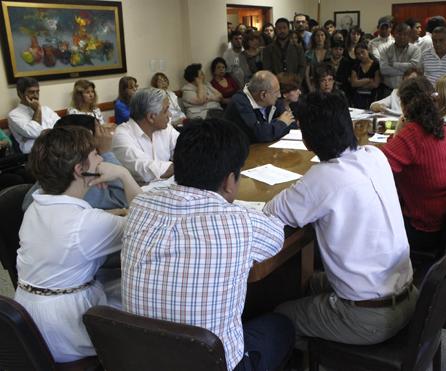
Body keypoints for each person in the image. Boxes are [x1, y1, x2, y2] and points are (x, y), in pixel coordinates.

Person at [122, 118, 294, 371]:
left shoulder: (140, 206)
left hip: (143, 359)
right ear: (229, 181)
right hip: (212, 363)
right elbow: (276, 238)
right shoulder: (241, 223)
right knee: (281, 325)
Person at [264, 92, 416, 346]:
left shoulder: (323, 179)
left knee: (281, 315)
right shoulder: (374, 155)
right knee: (307, 281)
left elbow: (271, 211)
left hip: (369, 318)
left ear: (307, 140)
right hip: (408, 295)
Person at [15, 125, 141, 363]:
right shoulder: (86, 224)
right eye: (95, 154)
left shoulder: (35, 206)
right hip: (65, 331)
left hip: (30, 320)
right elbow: (145, 225)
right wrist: (123, 175)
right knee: (148, 307)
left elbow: (74, 229)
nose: (102, 158)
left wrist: (115, 213)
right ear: (80, 169)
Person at [381, 76, 446, 253]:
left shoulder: (412, 133)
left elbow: (379, 168)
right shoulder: (441, 126)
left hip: (424, 228)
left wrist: (398, 132)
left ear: (404, 105)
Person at [22, 114, 127, 211]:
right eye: (99, 133)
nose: (104, 137)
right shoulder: (76, 181)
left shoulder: (54, 169)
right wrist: (106, 152)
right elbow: (123, 200)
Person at [112, 88, 179, 183]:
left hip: (165, 188)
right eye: (166, 110)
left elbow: (186, 148)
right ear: (151, 117)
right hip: (137, 194)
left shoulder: (165, 128)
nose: (170, 114)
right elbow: (145, 169)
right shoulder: (122, 135)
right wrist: (185, 166)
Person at [224, 70, 295, 143]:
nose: (279, 95)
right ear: (263, 95)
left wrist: (272, 127)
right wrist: (281, 123)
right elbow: (258, 135)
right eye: (276, 92)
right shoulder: (239, 102)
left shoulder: (271, 99)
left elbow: (291, 123)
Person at [8, 77, 59, 153]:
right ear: (20, 94)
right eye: (31, 92)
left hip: (55, 147)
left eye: (37, 92)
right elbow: (36, 132)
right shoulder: (14, 115)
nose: (36, 96)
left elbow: (61, 126)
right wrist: (37, 110)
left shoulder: (46, 109)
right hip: (33, 153)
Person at [379, 22, 421, 89]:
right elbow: (384, 70)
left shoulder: (415, 50)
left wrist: (394, 64)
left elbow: (414, 67)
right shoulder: (385, 49)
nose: (402, 37)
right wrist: (406, 72)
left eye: (405, 34)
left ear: (409, 35)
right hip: (388, 89)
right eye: (399, 34)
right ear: (394, 35)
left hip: (408, 90)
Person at [350, 42, 381, 109]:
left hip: (373, 96)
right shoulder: (356, 65)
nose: (361, 55)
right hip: (358, 97)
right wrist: (368, 80)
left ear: (368, 51)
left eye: (363, 52)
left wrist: (360, 83)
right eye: (358, 54)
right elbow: (353, 83)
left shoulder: (376, 64)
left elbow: (375, 84)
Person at [305, 27, 331, 91]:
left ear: (325, 37)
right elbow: (306, 73)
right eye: (317, 35)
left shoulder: (330, 52)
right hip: (313, 83)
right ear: (314, 38)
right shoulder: (309, 53)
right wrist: (310, 87)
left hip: (327, 84)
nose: (320, 38)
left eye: (322, 35)